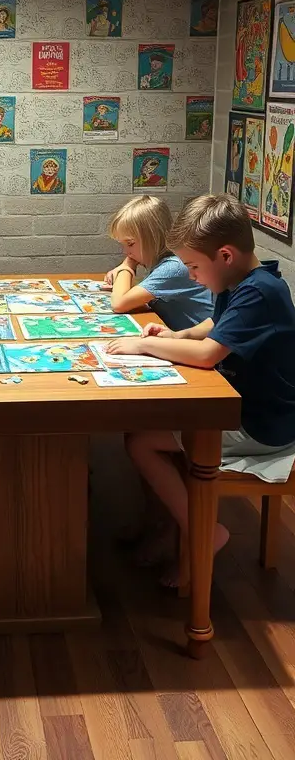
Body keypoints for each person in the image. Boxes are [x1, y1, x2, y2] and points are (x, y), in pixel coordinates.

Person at [106, 193, 295, 585]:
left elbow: (209, 355)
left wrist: (144, 345)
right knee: (148, 427)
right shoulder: (242, 281)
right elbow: (215, 326)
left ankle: (203, 531)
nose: (191, 276)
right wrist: (177, 335)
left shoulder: (259, 292)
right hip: (244, 409)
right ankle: (170, 527)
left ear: (224, 256)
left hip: (264, 425)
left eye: (193, 267)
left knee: (142, 442)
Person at [106, 196, 213, 330]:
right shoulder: (164, 262)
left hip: (200, 340)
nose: (125, 251)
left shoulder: (173, 268)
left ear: (153, 239)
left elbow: (119, 304)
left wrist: (126, 266)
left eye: (130, 244)